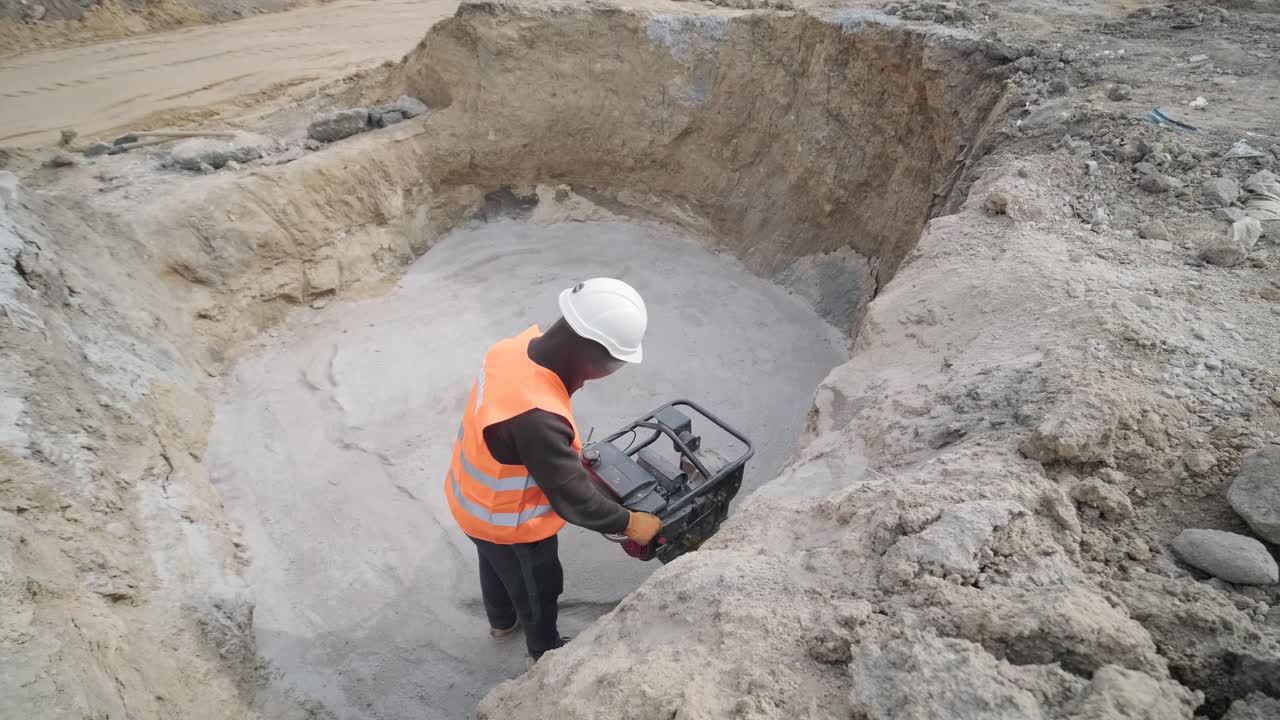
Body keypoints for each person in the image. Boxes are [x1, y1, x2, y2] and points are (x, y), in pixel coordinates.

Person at [444, 277, 663, 665]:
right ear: (591, 351)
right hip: (512, 524)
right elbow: (574, 499)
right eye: (616, 363)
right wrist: (629, 522)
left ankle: (500, 623)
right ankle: (543, 654)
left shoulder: (509, 351)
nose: (614, 371)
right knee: (536, 590)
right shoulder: (537, 418)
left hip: (470, 501)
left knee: (494, 566)